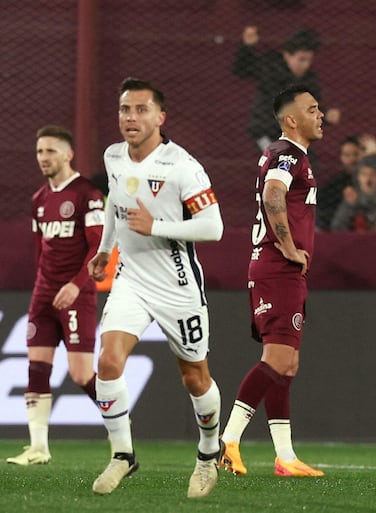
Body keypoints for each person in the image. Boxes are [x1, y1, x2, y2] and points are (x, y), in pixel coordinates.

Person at [87, 77, 225, 498]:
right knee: (108, 363)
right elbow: (115, 203)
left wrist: (157, 226)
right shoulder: (114, 156)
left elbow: (214, 227)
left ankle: (207, 453)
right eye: (125, 109)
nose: (131, 118)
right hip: (131, 278)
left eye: (141, 110)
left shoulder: (182, 166)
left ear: (160, 117)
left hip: (177, 284)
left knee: (195, 378)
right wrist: (104, 249)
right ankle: (123, 455)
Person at [218, 84, 325, 478]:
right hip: (277, 267)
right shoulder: (287, 155)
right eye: (312, 109)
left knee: (288, 363)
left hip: (278, 270)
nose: (321, 115)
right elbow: (273, 193)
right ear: (292, 119)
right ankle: (226, 440)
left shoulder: (288, 156)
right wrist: (288, 245)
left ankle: (285, 457)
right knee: (277, 358)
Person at [6, 125, 104, 466]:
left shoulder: (87, 194)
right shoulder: (39, 199)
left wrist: (76, 284)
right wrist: (43, 286)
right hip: (44, 294)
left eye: (50, 151)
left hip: (77, 294)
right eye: (39, 152)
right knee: (36, 367)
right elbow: (40, 251)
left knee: (80, 374)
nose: (43, 158)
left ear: (68, 154)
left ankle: (120, 422)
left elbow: (99, 248)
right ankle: (38, 447)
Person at [233, 25, 340, 151]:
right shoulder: (269, 67)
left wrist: (326, 116)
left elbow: (313, 108)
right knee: (280, 161)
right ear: (287, 55)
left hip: (293, 135)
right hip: (265, 132)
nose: (306, 65)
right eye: (301, 59)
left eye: (309, 60)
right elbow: (240, 70)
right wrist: (247, 47)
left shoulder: (309, 80)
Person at [316, 135, 360, 230]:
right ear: (341, 158)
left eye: (356, 154)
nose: (352, 159)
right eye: (347, 155)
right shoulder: (335, 184)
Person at [330, 163, 376, 233]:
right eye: (364, 175)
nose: (368, 178)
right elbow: (336, 227)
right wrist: (349, 205)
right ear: (358, 178)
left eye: (372, 175)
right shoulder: (352, 198)